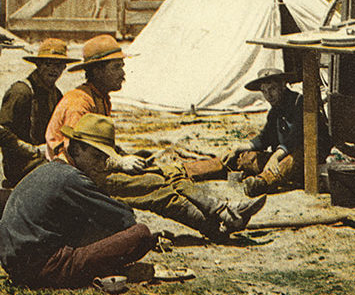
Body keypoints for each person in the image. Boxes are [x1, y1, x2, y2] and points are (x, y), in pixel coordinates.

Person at [44, 34, 266, 240]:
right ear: (97, 71)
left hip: (95, 166)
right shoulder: (79, 103)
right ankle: (217, 225)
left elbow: (97, 147)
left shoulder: (100, 97)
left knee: (171, 171)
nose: (123, 73)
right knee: (157, 186)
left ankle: (222, 210)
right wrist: (119, 162)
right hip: (77, 177)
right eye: (117, 67)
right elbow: (75, 152)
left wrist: (126, 156)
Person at [0, 114, 156, 288]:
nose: (101, 164)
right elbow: (125, 219)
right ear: (75, 149)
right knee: (141, 234)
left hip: (15, 264)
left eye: (105, 159)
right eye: (96, 157)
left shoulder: (49, 169)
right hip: (41, 269)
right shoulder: (72, 179)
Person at [235, 68, 333, 197]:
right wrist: (239, 148)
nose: (268, 96)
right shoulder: (274, 111)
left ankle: (261, 183)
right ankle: (210, 168)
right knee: (246, 157)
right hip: (283, 155)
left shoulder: (300, 103)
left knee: (291, 159)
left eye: (272, 89)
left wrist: (275, 157)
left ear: (283, 85)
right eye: (264, 91)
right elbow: (264, 139)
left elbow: (295, 138)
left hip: (308, 157)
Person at [0, 38, 77, 187]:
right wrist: (34, 151)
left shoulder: (56, 94)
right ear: (38, 64)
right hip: (22, 166)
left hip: (46, 159)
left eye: (59, 65)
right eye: (48, 64)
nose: (54, 70)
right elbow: (2, 131)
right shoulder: (21, 92)